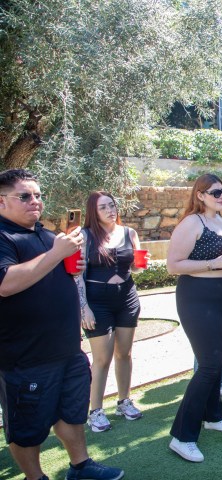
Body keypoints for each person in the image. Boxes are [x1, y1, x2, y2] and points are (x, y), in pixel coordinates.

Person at [0, 169, 124, 480]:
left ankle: (80, 466)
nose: (35, 202)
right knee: (27, 424)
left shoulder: (45, 235)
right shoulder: (3, 237)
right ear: (2, 202)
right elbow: (5, 283)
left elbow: (55, 272)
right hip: (25, 355)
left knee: (71, 411)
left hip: (67, 347)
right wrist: (57, 253)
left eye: (38, 195)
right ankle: (35, 477)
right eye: (25, 196)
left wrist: (70, 265)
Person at [166, 174, 222, 462]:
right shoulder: (191, 223)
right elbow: (174, 265)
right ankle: (182, 436)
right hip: (198, 297)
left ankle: (213, 416)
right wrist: (213, 263)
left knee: (216, 361)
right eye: (216, 192)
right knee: (209, 367)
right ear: (200, 195)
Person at [75, 191, 146, 433]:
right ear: (93, 212)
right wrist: (84, 308)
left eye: (112, 205)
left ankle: (123, 401)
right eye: (103, 207)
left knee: (124, 354)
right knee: (102, 359)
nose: (110, 210)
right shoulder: (85, 236)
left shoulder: (130, 233)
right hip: (97, 302)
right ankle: (95, 410)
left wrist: (139, 262)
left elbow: (136, 268)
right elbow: (77, 275)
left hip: (127, 298)